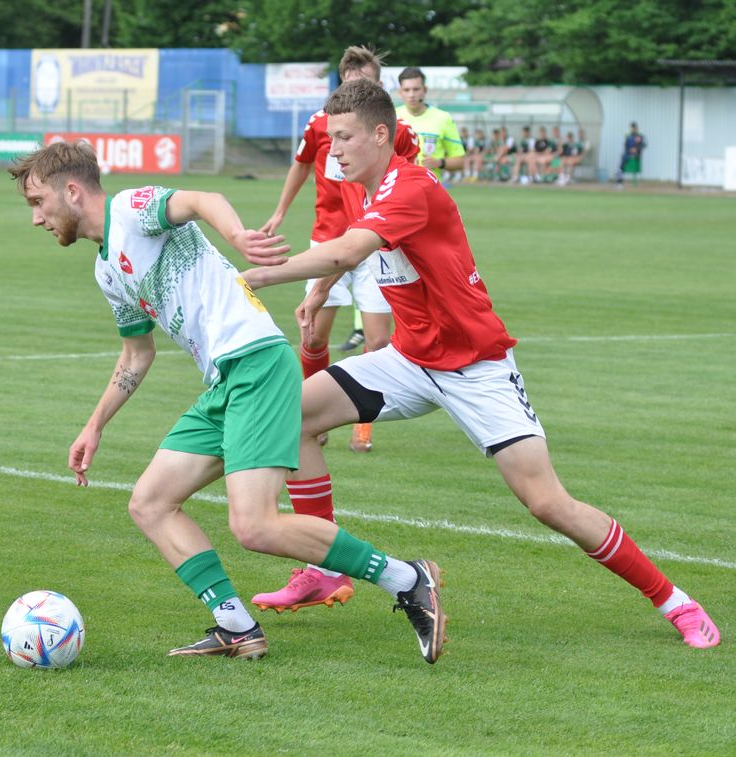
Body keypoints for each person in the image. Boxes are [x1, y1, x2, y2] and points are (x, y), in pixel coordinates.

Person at [240, 78, 720, 651]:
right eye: (329, 139)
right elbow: (352, 244)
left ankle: (677, 603)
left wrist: (252, 276)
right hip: (409, 359)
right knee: (289, 419)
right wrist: (321, 291)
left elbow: (348, 249)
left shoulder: (410, 186)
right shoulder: (364, 188)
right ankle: (324, 570)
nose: (333, 150)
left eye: (343, 138)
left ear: (379, 134)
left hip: (476, 368)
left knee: (548, 503)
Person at [9, 140, 447, 663]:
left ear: (72, 191)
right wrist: (94, 425)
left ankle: (407, 578)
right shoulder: (107, 271)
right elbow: (136, 354)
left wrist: (239, 235)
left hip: (257, 362)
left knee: (254, 525)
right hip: (225, 382)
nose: (36, 218)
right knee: (149, 503)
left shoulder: (130, 210)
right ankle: (236, 627)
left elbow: (201, 199)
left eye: (38, 202)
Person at [260, 44, 418, 459]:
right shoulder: (320, 124)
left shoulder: (397, 132)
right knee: (314, 336)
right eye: (352, 83)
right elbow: (301, 163)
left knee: (379, 341)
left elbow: (410, 181)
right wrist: (280, 211)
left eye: (366, 83)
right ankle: (315, 413)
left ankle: (362, 426)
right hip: (328, 240)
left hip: (374, 242)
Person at [395, 67, 465, 184]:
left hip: (431, 189)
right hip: (399, 188)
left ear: (425, 90)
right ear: (400, 92)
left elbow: (460, 161)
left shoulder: (443, 118)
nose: (411, 94)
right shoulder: (392, 117)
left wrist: (440, 163)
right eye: (406, 90)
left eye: (416, 89)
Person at [615, 122, 646, 187]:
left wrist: (636, 149)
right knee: (622, 163)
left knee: (624, 161)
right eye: (632, 128)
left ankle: (619, 175)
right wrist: (630, 150)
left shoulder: (640, 136)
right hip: (628, 154)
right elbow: (625, 145)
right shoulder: (628, 136)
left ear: (636, 128)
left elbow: (643, 145)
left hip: (636, 155)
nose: (633, 129)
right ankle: (619, 181)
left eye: (634, 128)